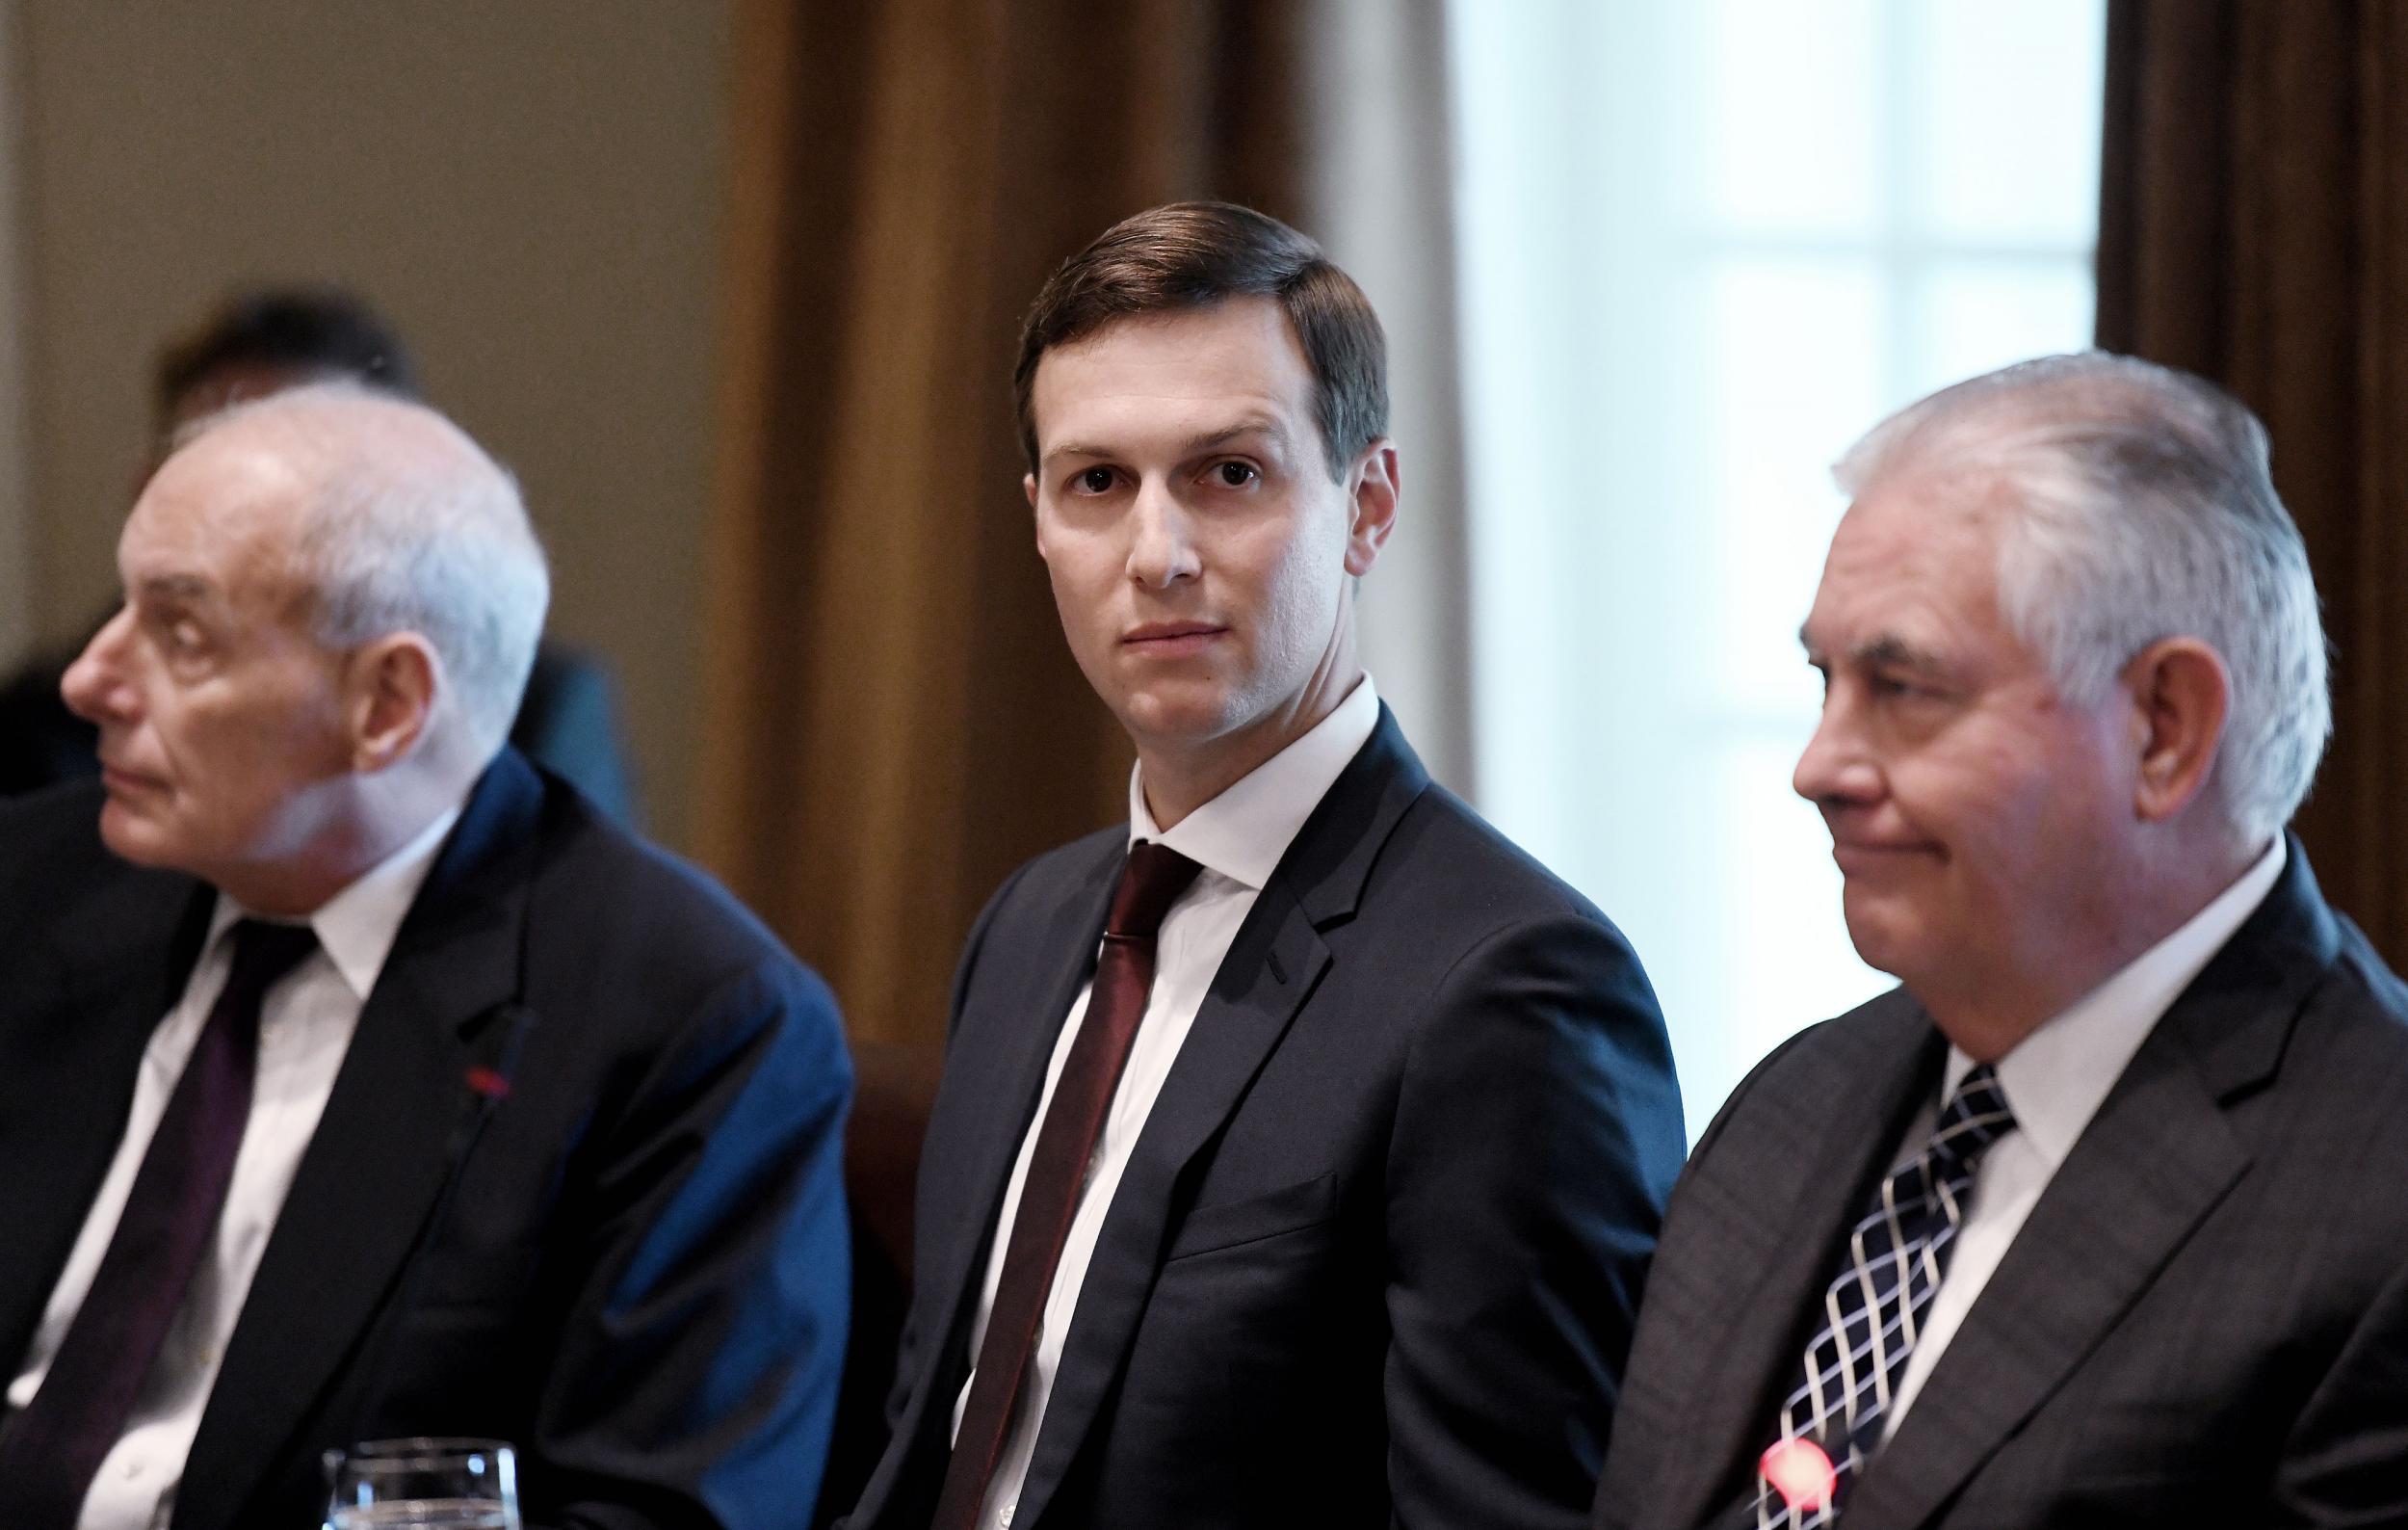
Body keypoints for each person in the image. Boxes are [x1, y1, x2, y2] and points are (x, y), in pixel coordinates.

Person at [839, 201, 1686, 1530]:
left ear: (1368, 503)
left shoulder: (1511, 987)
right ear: (1041, 523)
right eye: (1097, 484)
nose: (1158, 555)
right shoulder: (1032, 925)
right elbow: (933, 1442)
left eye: (1230, 474)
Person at [0, 385, 851, 1528]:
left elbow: (660, 1512)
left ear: (386, 703)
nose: (89, 680)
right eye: (119, 609)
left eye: (180, 633)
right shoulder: (33, 885)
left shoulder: (691, 1024)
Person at [1594, 353, 2408, 1529]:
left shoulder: (2374, 1207)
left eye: (1904, 687)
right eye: (1824, 680)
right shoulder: (1791, 1106)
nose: (1817, 766)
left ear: (2162, 729)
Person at [0, 287, 641, 824]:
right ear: (147, 489)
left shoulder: (536, 707)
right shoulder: (45, 719)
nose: (247, 499)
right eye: (211, 463)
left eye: (307, 477)